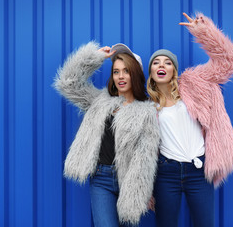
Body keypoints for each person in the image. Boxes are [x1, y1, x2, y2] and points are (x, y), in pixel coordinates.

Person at [147, 12, 233, 227]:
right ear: (151, 72)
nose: (161, 65)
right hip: (166, 172)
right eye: (156, 62)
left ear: (174, 69)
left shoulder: (194, 84)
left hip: (198, 171)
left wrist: (204, 32)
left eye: (167, 62)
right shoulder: (148, 108)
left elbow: (228, 62)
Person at [53, 42, 160, 226]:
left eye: (126, 71)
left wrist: (143, 191)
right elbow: (67, 83)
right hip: (101, 179)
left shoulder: (147, 111)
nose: (120, 76)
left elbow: (145, 156)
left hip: (130, 181)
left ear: (135, 74)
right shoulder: (99, 101)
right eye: (116, 71)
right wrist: (93, 58)